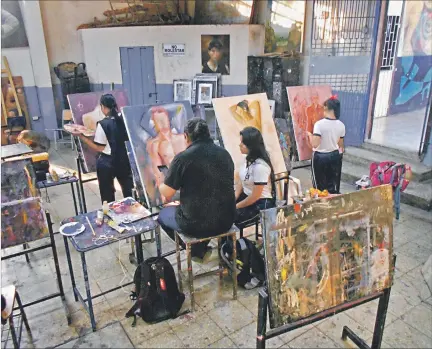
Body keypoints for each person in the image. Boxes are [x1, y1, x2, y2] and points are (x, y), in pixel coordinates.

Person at [157, 118, 236, 260]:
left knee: (163, 216)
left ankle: (195, 251)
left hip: (196, 225)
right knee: (205, 209)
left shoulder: (183, 158)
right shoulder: (225, 154)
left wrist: (160, 182)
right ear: (208, 134)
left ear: (186, 136)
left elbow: (168, 192)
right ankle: (200, 249)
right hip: (226, 220)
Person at [72, 94, 133, 203]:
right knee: (129, 191)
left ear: (103, 107)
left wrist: (81, 136)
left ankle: (110, 215)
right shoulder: (125, 119)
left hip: (108, 162)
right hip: (124, 159)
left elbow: (99, 147)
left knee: (107, 195)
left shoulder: (103, 124)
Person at [235, 127, 276, 225]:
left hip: (260, 203)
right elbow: (242, 179)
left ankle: (231, 240)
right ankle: (226, 240)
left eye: (243, 143)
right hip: (247, 196)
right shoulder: (247, 158)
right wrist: (235, 197)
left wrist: (236, 206)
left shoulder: (260, 167)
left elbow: (255, 196)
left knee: (230, 216)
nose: (239, 145)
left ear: (251, 146)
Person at [308, 96, 345, 194]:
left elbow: (315, 144)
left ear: (326, 108)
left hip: (320, 157)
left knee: (319, 188)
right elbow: (340, 145)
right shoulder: (341, 125)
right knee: (331, 186)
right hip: (334, 156)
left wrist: (309, 135)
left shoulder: (319, 125)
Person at [146, 106, 187, 189]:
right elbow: (159, 170)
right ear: (155, 124)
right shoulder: (155, 145)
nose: (163, 124)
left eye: (164, 120)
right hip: (173, 183)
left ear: (168, 120)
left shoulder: (183, 138)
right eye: (159, 121)